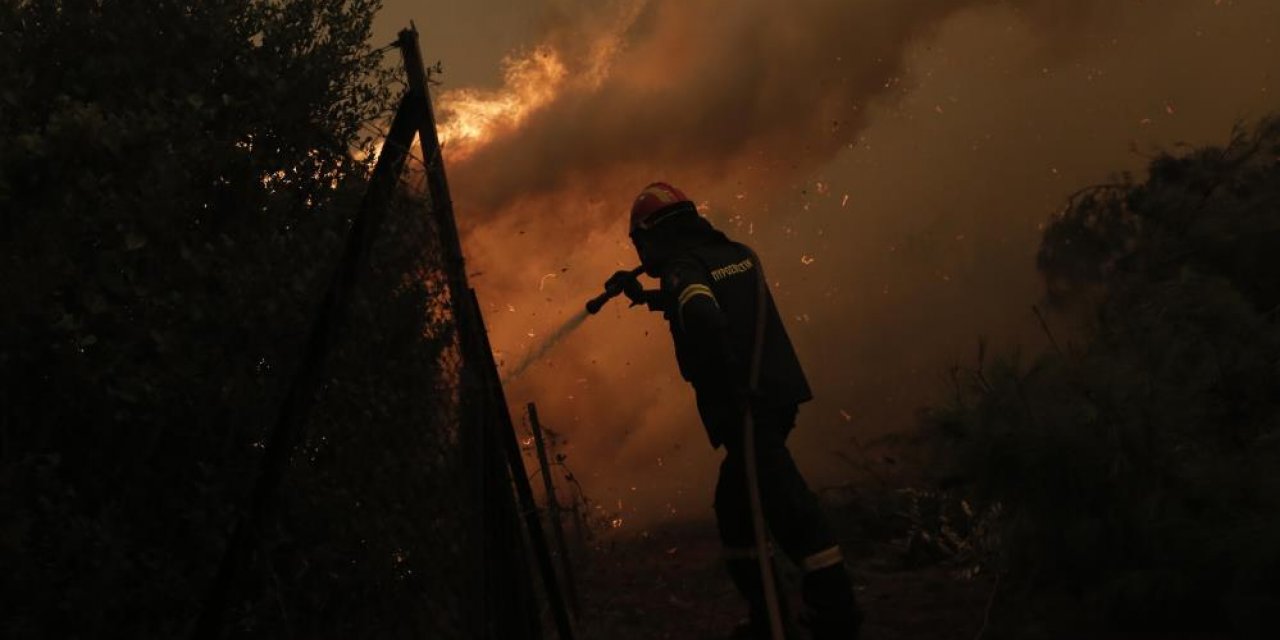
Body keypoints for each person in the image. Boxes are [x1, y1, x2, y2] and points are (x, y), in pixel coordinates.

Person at [605, 182, 863, 639]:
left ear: (650, 235)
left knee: (791, 509)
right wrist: (647, 295)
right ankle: (771, 617)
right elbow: (709, 299)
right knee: (736, 508)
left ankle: (835, 616)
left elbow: (702, 315)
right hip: (777, 395)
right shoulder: (733, 254)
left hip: (748, 410)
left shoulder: (684, 268)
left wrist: (728, 382)